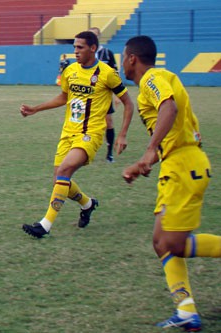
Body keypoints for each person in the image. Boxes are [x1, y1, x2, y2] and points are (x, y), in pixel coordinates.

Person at [122, 35, 220, 331]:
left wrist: (150, 150)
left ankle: (187, 311)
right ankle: (186, 310)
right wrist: (147, 162)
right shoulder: (150, 84)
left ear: (132, 59)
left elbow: (169, 107)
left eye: (122, 57)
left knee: (173, 244)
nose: (121, 63)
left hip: (183, 166)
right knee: (160, 242)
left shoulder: (153, 77)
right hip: (176, 165)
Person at [20, 31, 134, 238]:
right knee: (59, 179)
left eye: (80, 47)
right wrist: (36, 108)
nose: (75, 51)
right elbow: (63, 97)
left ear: (93, 48)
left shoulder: (107, 73)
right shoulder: (71, 70)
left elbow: (128, 102)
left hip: (90, 134)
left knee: (64, 170)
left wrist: (122, 134)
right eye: (74, 47)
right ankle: (88, 204)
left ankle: (45, 225)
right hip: (68, 132)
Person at [89, 27, 119, 163]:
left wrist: (117, 95)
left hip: (104, 94)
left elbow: (115, 75)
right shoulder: (85, 54)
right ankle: (85, 150)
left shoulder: (107, 54)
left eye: (95, 35)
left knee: (108, 122)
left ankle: (109, 153)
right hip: (88, 95)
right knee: (86, 123)